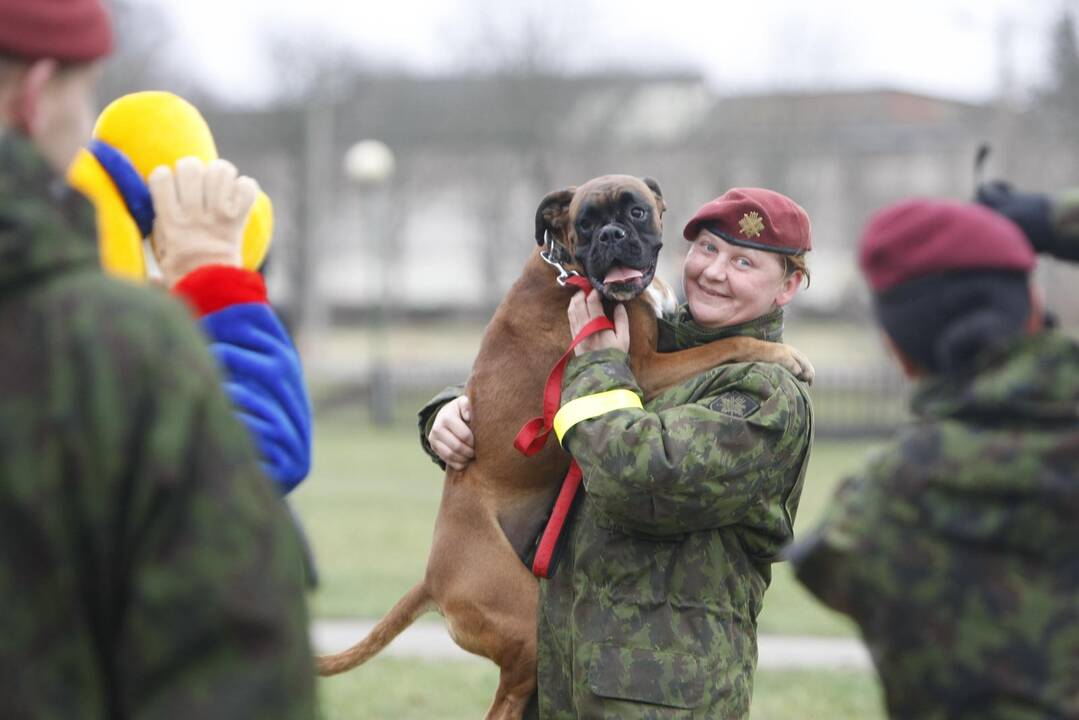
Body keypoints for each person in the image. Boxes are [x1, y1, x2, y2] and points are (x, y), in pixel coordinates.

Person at [0, 1, 318, 717]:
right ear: (34, 93)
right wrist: (213, 276)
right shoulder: (100, 340)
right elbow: (256, 460)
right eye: (81, 97)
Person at [422, 187, 815, 718]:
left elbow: (636, 478)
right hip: (568, 679)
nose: (715, 272)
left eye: (744, 261)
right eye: (706, 249)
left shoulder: (766, 392)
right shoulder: (645, 327)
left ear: (788, 284)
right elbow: (527, 375)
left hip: (661, 695)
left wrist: (600, 367)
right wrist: (448, 413)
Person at [787, 196, 1079, 719]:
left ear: (897, 352)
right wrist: (1054, 222)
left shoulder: (874, 514)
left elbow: (821, 561)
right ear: (1033, 306)